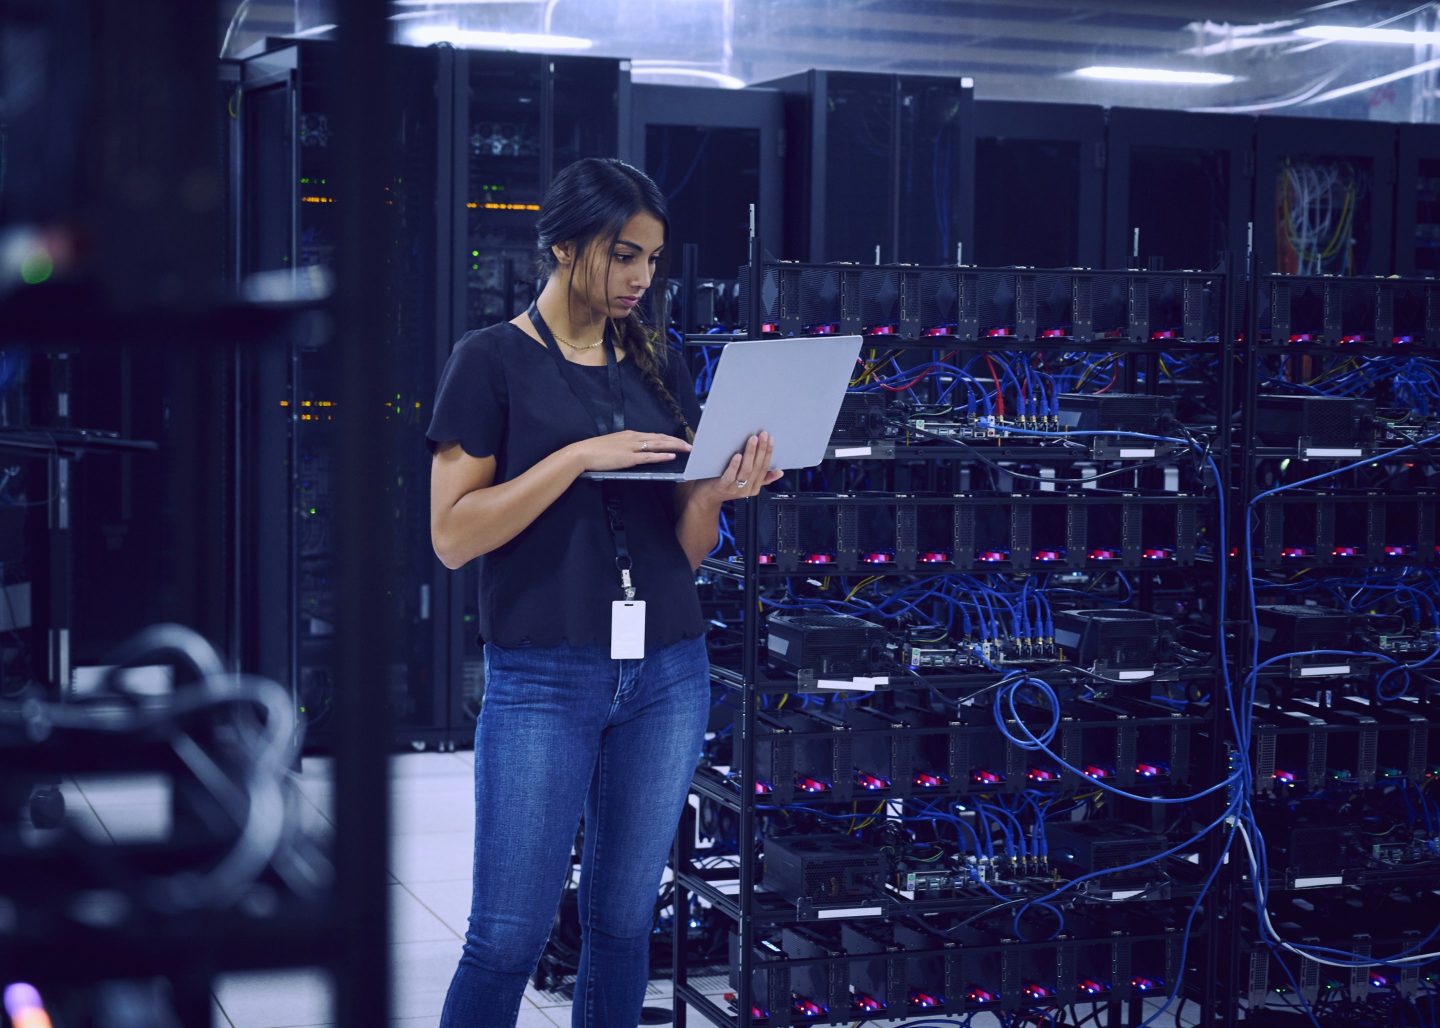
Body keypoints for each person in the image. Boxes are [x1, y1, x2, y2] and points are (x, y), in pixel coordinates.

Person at [426, 157, 780, 1028]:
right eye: (624, 255)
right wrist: (579, 458)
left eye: (652, 259)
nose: (640, 278)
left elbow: (682, 553)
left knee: (623, 928)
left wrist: (714, 494)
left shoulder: (661, 362)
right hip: (543, 677)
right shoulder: (489, 361)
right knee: (506, 937)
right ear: (563, 245)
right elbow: (452, 535)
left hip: (667, 671)